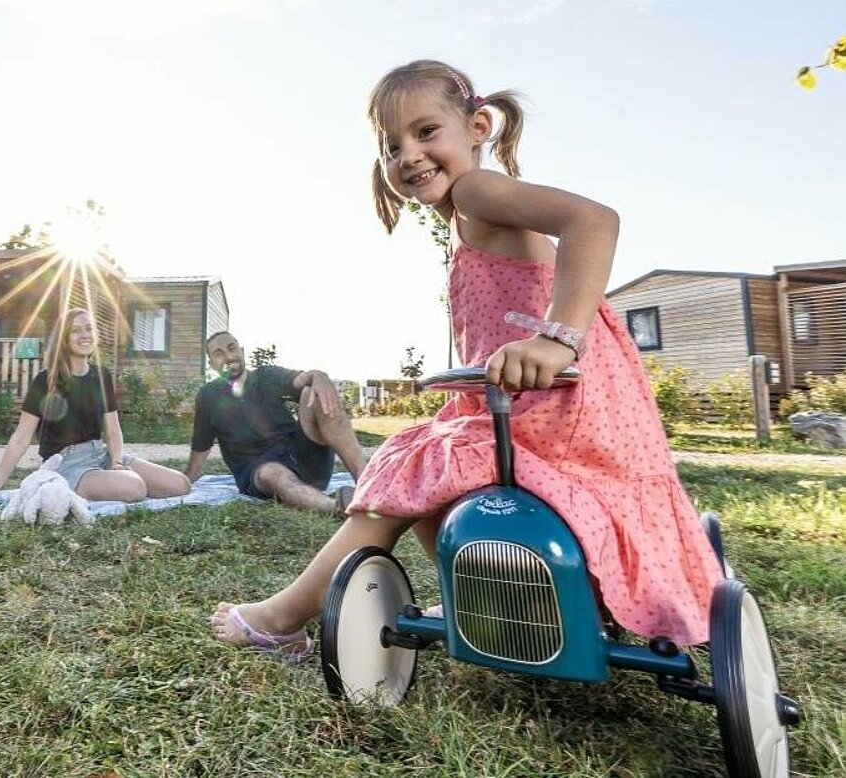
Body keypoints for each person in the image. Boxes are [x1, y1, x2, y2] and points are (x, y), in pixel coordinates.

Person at [210, 60, 723, 659]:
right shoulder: (462, 222)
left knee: (412, 471)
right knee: (432, 470)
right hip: (536, 406)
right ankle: (488, 604)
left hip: (558, 407)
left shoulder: (479, 195)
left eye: (426, 132)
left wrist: (559, 338)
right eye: (392, 145)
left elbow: (593, 221)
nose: (409, 155)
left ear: (478, 126)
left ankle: (282, 615)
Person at [0, 307, 191, 503]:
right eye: (76, 330)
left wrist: (117, 462)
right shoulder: (46, 381)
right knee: (135, 488)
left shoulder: (102, 376)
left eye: (89, 328)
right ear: (64, 338)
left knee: (180, 484)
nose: (85, 335)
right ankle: (64, 485)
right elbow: (20, 439)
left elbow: (112, 431)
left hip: (100, 453)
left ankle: (111, 480)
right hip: (66, 463)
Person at [183, 331, 364, 517]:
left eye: (232, 348)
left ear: (242, 352)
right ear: (212, 364)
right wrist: (185, 480)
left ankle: (367, 485)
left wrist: (319, 376)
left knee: (312, 391)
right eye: (219, 353)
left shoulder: (266, 376)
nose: (229, 357)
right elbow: (201, 446)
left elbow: (302, 379)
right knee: (272, 472)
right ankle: (337, 507)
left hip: (306, 460)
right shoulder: (208, 396)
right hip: (260, 470)